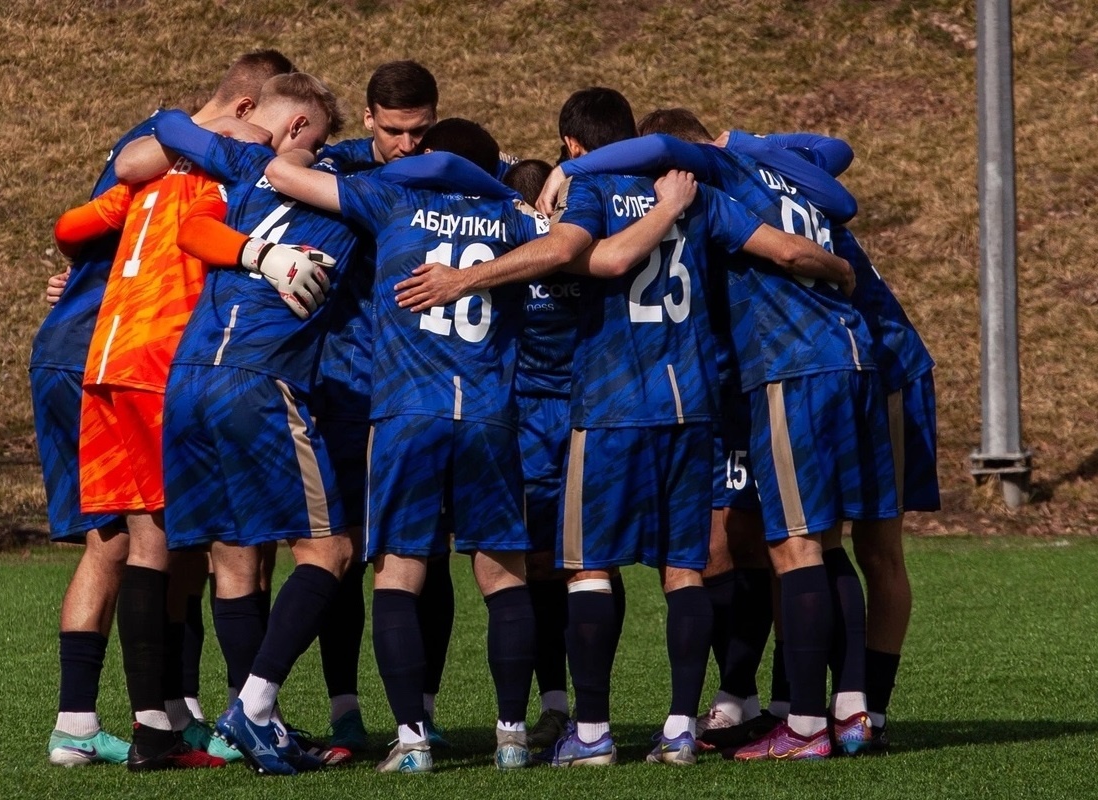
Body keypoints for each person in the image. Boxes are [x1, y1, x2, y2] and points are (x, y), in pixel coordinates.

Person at [392, 87, 858, 767]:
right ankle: (679, 728)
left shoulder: (593, 191)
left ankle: (591, 733)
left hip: (611, 405)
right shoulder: (696, 193)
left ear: (573, 145)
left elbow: (593, 258)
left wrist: (468, 276)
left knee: (588, 569)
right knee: (683, 570)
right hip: (690, 402)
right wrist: (840, 268)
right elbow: (785, 249)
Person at [540, 125, 896, 760]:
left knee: (787, 545)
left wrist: (570, 172)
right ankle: (839, 711)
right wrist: (840, 263)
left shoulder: (697, 183)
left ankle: (799, 725)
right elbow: (834, 168)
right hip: (829, 364)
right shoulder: (772, 177)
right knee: (820, 542)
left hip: (763, 371)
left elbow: (604, 254)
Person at [263, 118, 550, 773]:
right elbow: (569, 244)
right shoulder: (512, 216)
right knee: (503, 574)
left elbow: (282, 172)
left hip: (405, 413)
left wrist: (351, 154)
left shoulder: (392, 196)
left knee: (399, 572)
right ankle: (511, 736)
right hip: (488, 413)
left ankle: (413, 741)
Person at [33, 49, 292, 768]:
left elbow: (72, 224)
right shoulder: (221, 177)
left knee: (133, 544)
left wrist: (80, 274)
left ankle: (145, 717)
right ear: (248, 117)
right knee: (176, 545)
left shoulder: (147, 170)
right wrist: (261, 257)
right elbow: (197, 232)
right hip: (156, 365)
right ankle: (170, 726)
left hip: (102, 363)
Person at [116, 71, 357, 775]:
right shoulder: (351, 187)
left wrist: (224, 135)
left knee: (234, 553)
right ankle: (251, 708)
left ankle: (254, 724)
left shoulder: (246, 170)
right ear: (303, 128)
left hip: (188, 382)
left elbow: (170, 129)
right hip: (258, 380)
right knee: (329, 553)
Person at [731, 130, 939, 751]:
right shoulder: (774, 188)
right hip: (848, 368)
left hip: (885, 369)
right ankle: (820, 707)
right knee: (816, 540)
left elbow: (838, 149)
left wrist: (746, 141)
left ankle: (867, 712)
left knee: (871, 548)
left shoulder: (752, 186)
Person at [308, 60, 454, 751]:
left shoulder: (453, 172)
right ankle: (345, 711)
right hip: (343, 389)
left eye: (419, 131)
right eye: (394, 130)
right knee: (341, 555)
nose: (407, 145)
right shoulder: (334, 168)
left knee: (425, 556)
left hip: (420, 393)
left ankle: (422, 711)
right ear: (368, 118)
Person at [502, 157, 576, 750]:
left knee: (523, 569)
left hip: (523, 422)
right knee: (586, 566)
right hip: (581, 419)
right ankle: (580, 711)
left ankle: (544, 709)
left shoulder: (503, 256)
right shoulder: (586, 247)